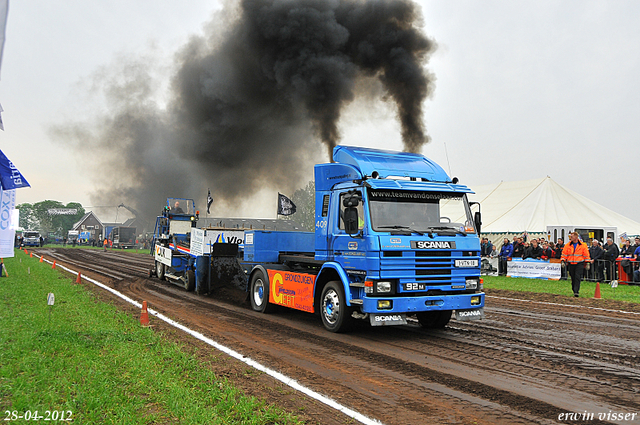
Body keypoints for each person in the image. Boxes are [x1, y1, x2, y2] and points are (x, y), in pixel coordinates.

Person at [561, 232, 591, 297]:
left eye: (572, 236)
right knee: (573, 277)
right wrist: (563, 261)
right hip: (571, 263)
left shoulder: (583, 245)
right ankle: (574, 288)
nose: (570, 238)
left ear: (576, 237)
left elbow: (586, 254)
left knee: (578, 277)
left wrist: (588, 262)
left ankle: (576, 291)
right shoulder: (567, 245)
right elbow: (564, 254)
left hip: (579, 263)